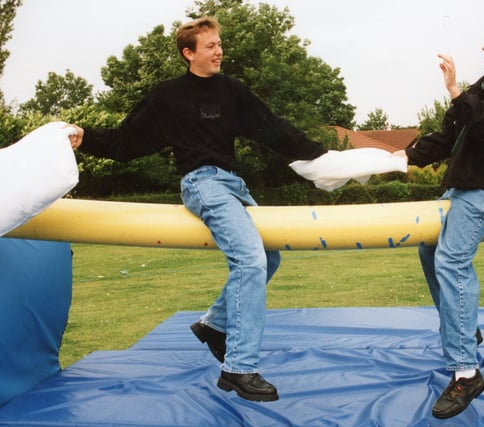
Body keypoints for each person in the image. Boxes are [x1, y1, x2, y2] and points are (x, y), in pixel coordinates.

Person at [68, 16, 327, 402]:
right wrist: (85, 138)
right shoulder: (166, 96)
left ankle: (213, 326)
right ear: (189, 54)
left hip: (234, 186)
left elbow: (273, 127)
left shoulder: (232, 92)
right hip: (202, 183)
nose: (219, 50)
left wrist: (323, 157)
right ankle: (239, 368)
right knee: (250, 261)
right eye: (210, 46)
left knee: (268, 258)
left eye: (220, 44)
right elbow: (124, 142)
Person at [394, 18, 484, 419]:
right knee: (429, 250)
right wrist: (401, 158)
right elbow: (447, 138)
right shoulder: (480, 90)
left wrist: (456, 90)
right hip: (461, 187)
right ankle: (464, 327)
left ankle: (465, 372)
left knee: (451, 261)